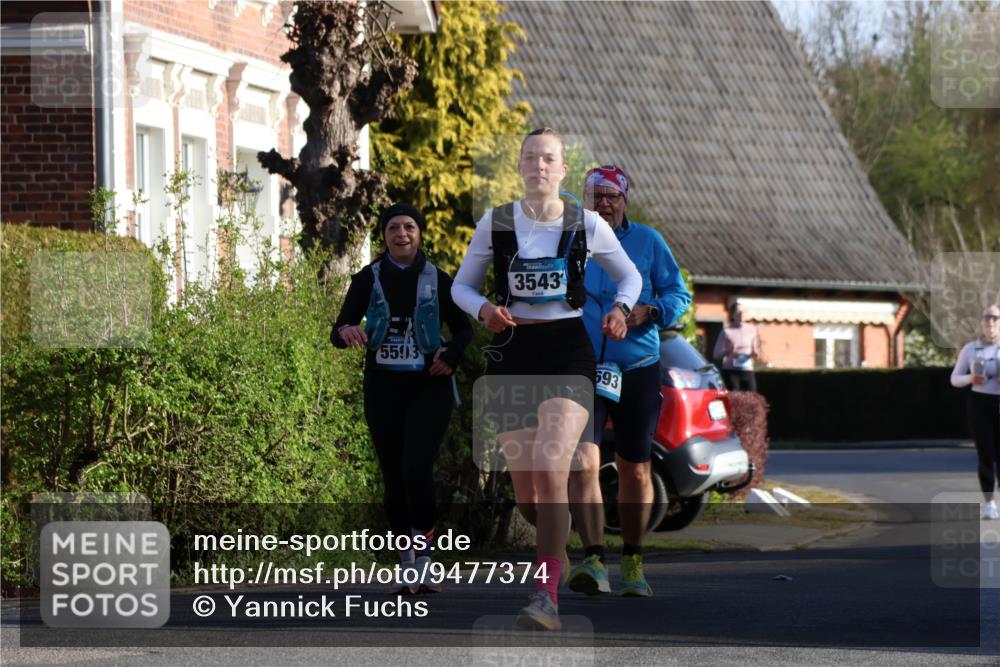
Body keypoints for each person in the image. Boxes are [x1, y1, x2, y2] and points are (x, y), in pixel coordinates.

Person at [452, 129, 641, 630]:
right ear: (519, 166)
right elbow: (460, 287)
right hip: (511, 352)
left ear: (561, 170)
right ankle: (560, 544)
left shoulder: (588, 222)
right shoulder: (494, 224)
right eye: (531, 157)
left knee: (555, 466)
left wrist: (622, 309)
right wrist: (485, 309)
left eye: (549, 159)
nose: (539, 165)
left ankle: (545, 596)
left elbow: (630, 277)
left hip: (565, 350)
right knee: (531, 499)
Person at [331, 202, 472, 592]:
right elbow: (339, 327)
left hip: (430, 386)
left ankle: (425, 560)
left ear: (419, 233)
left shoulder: (439, 280)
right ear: (384, 236)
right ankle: (406, 562)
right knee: (393, 477)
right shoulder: (367, 278)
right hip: (383, 388)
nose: (402, 234)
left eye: (410, 227)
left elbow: (464, 331)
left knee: (416, 468)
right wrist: (346, 332)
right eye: (394, 228)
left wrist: (452, 355)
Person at [568, 165, 691, 599]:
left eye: (611, 196)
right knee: (583, 460)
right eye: (595, 195)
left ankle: (634, 561)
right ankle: (594, 558)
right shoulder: (571, 239)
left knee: (634, 468)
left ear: (625, 201)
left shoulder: (648, 242)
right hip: (581, 365)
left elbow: (680, 295)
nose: (603, 203)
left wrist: (650, 311)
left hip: (636, 365)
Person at [950, 304, 1000, 520]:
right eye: (986, 318)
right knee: (986, 454)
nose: (990, 322)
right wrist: (971, 378)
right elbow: (954, 379)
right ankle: (990, 503)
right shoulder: (970, 349)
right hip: (979, 403)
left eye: (995, 318)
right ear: (981, 323)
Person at [713, 303, 761, 391]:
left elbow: (756, 352)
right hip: (731, 371)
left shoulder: (752, 330)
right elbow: (716, 355)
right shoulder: (726, 331)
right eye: (738, 312)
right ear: (733, 315)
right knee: (734, 398)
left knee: (751, 397)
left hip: (747, 370)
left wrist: (755, 353)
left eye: (743, 312)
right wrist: (728, 351)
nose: (741, 314)